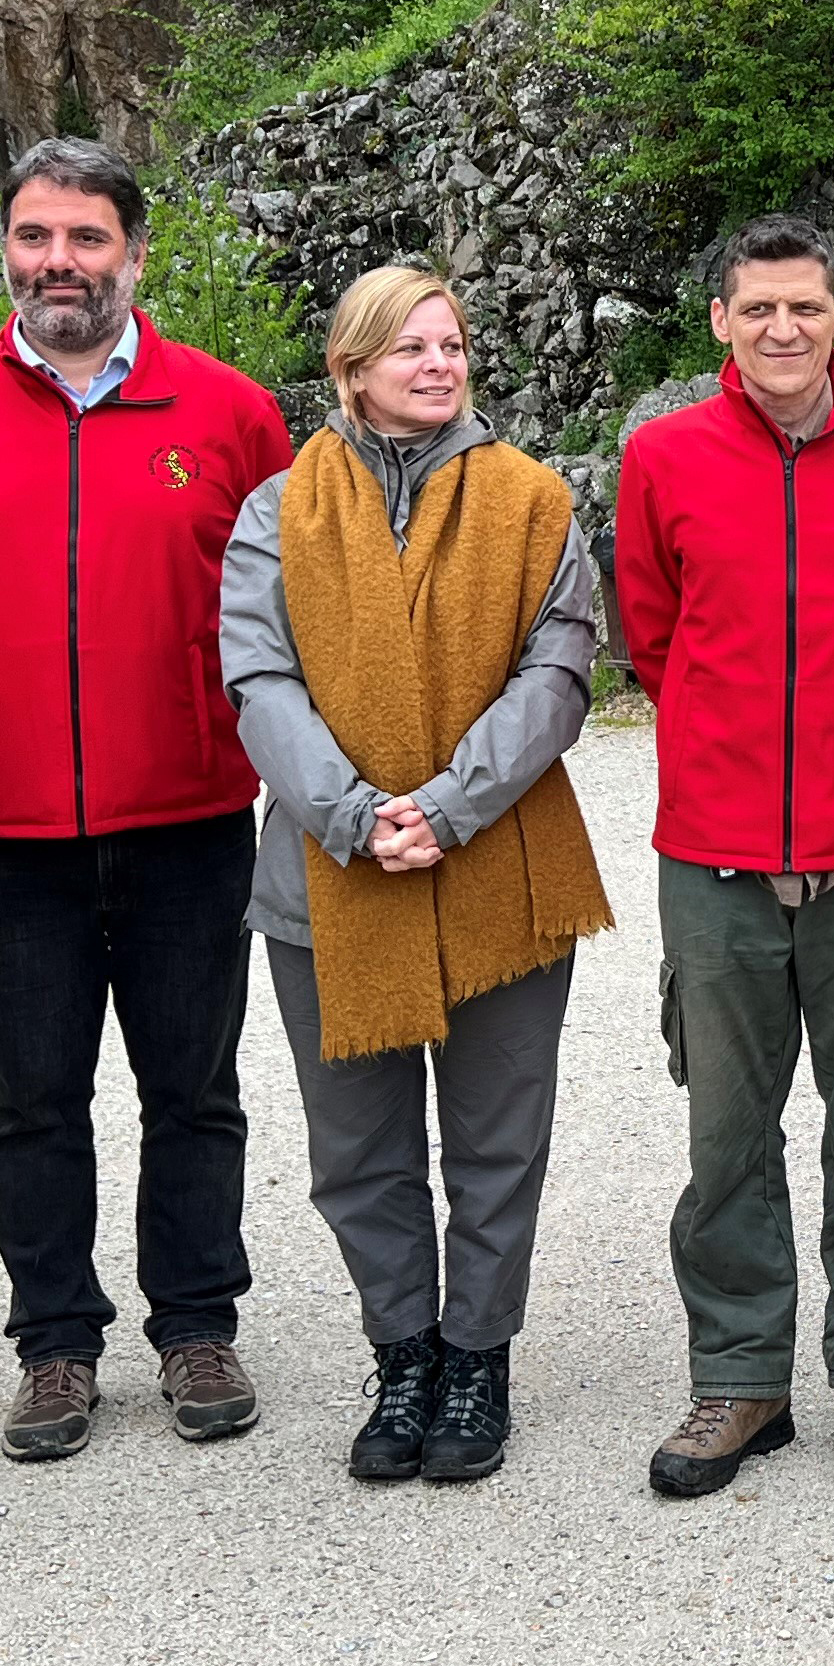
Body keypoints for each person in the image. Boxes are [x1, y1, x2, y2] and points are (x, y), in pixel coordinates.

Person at [0, 137, 296, 1460]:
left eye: (87, 238)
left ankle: (197, 1325)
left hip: (189, 816)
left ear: (134, 256)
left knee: (195, 1090)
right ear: (7, 249)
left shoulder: (230, 414)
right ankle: (54, 1344)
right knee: (33, 1098)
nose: (60, 262)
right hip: (7, 830)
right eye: (37, 236)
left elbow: (275, 603)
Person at [221, 266, 612, 1488]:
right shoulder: (277, 511)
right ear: (351, 368)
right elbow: (259, 679)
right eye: (410, 348)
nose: (439, 365)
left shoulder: (533, 501)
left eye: (451, 345)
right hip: (324, 877)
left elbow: (558, 675)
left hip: (501, 864)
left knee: (497, 1141)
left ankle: (477, 1358)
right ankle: (402, 1357)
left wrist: (446, 809)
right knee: (357, 1151)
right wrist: (350, 816)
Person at [613, 216, 834, 1497]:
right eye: (758, 308)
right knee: (726, 1135)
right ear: (720, 320)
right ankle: (739, 1377)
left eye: (805, 308)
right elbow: (653, 640)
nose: (783, 329)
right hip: (712, 856)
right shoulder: (662, 458)